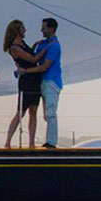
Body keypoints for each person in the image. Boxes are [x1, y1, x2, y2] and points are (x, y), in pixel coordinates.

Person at [2, 19, 45, 148]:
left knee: (33, 111)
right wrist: (47, 47)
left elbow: (28, 55)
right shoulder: (14, 48)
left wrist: (35, 46)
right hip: (27, 80)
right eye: (22, 28)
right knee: (21, 111)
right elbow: (33, 59)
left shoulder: (22, 44)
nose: (25, 30)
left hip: (34, 78)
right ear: (17, 30)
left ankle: (31, 143)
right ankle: (7, 142)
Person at [34, 17, 63, 148]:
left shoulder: (55, 46)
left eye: (44, 27)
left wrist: (27, 71)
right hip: (43, 81)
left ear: (51, 29)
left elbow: (45, 66)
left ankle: (51, 142)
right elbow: (34, 58)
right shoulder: (43, 44)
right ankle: (49, 141)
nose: (41, 30)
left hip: (51, 81)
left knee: (50, 112)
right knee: (47, 114)